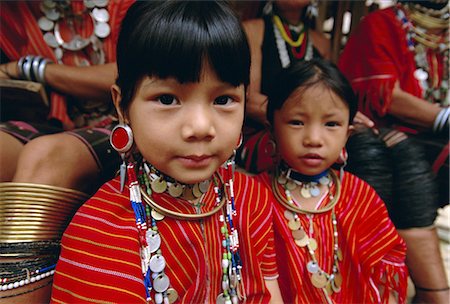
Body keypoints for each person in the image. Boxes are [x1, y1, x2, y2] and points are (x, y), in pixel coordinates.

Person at [51, 1, 283, 303]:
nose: (200, 127)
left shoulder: (252, 201)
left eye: (224, 100)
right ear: (123, 106)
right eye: (167, 98)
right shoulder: (97, 237)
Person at [0, 1, 134, 303]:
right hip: (49, 121)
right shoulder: (13, 13)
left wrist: (31, 68)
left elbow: (138, 72)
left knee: (47, 157)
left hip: (127, 121)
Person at [256, 59, 408, 303]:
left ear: (347, 133)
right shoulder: (256, 199)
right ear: (272, 128)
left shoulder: (360, 196)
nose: (314, 139)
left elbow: (386, 262)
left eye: (331, 124)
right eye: (297, 122)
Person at [338, 1, 449, 303]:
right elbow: (385, 96)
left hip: (431, 139)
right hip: (379, 130)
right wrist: (444, 117)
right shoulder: (382, 23)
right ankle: (433, 294)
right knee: (401, 159)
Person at [237, 0, 331, 173]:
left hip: (314, 130)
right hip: (263, 134)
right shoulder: (253, 31)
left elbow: (329, 99)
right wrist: (297, 120)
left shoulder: (321, 42)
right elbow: (249, 99)